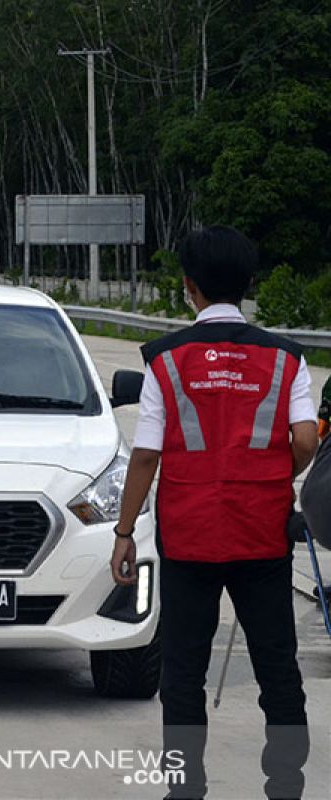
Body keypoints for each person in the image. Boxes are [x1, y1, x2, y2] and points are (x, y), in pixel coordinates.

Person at [110, 226, 318, 799]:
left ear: (189, 287)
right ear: (250, 286)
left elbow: (148, 453)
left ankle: (185, 788)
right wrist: (276, 477)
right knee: (278, 671)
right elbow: (304, 438)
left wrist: (125, 532)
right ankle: (285, 785)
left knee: (182, 675)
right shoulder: (285, 359)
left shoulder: (166, 360)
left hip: (189, 536)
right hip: (263, 536)